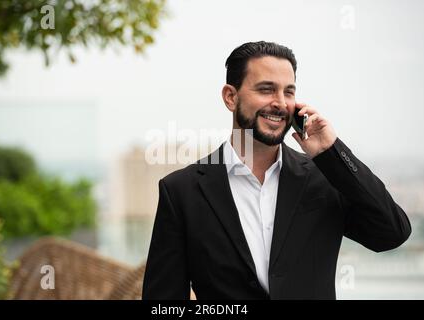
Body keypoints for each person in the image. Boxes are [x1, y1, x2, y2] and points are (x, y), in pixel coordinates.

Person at [142, 41, 411, 299]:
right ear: (230, 97)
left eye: (289, 92)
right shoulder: (181, 191)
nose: (281, 103)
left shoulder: (325, 178)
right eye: (266, 89)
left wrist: (332, 151)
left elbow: (391, 234)